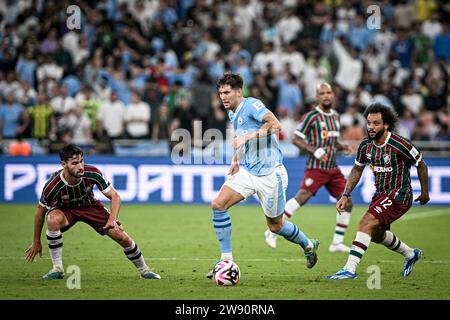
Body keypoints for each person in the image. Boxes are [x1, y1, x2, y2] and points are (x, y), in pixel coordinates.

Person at [207, 73, 319, 279]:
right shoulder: (233, 114)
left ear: (239, 92)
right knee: (218, 204)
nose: (223, 96)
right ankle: (226, 260)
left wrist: (250, 135)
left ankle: (308, 244)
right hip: (248, 171)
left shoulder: (252, 105)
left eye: (227, 92)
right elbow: (243, 140)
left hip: (270, 174)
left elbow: (276, 125)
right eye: (220, 92)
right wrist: (236, 160)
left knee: (275, 225)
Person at [25, 144, 160, 280]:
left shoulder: (92, 173)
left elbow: (115, 196)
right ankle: (57, 269)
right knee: (52, 219)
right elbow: (40, 212)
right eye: (75, 163)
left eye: (82, 161)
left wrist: (112, 219)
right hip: (65, 210)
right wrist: (36, 241)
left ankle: (145, 270)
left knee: (121, 236)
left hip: (89, 206)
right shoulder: (52, 186)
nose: (80, 166)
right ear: (63, 164)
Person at [326, 103, 430, 279]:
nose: (371, 127)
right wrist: (345, 194)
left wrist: (425, 192)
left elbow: (421, 164)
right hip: (381, 195)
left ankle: (349, 269)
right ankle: (411, 254)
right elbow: (357, 169)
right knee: (375, 234)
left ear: (386, 125)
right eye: (369, 123)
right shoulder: (366, 146)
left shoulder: (400, 144)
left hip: (399, 194)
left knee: (365, 222)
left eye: (376, 123)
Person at [264, 83, 354, 253]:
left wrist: (342, 147)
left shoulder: (335, 116)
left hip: (333, 168)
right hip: (316, 167)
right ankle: (272, 232)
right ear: (317, 97)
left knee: (347, 202)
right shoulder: (311, 116)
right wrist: (315, 151)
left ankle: (336, 243)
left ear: (333, 95)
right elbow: (296, 139)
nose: (326, 96)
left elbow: (332, 142)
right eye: (322, 93)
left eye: (329, 92)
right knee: (302, 197)